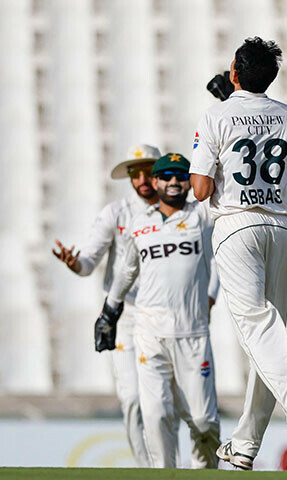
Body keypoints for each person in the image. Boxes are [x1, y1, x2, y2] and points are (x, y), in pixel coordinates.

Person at [190, 37, 287, 472]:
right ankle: (244, 446)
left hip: (236, 226)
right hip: (280, 227)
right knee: (268, 338)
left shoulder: (216, 114)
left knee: (258, 330)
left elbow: (200, 189)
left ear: (234, 71)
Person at [101, 153, 220, 468]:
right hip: (150, 334)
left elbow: (219, 259)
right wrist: (109, 311)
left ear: (188, 181)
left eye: (180, 176)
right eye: (166, 176)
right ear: (155, 181)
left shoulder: (203, 216)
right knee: (155, 416)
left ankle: (205, 474)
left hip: (193, 334)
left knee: (204, 422)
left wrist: (212, 294)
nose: (173, 182)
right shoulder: (140, 224)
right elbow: (126, 272)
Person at [51, 144, 162, 467]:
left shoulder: (178, 213)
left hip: (164, 316)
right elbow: (87, 262)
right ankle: (148, 471)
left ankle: (173, 466)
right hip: (124, 315)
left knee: (165, 405)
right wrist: (74, 263)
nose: (141, 179)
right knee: (131, 399)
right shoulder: (117, 213)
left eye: (147, 171)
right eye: (134, 173)